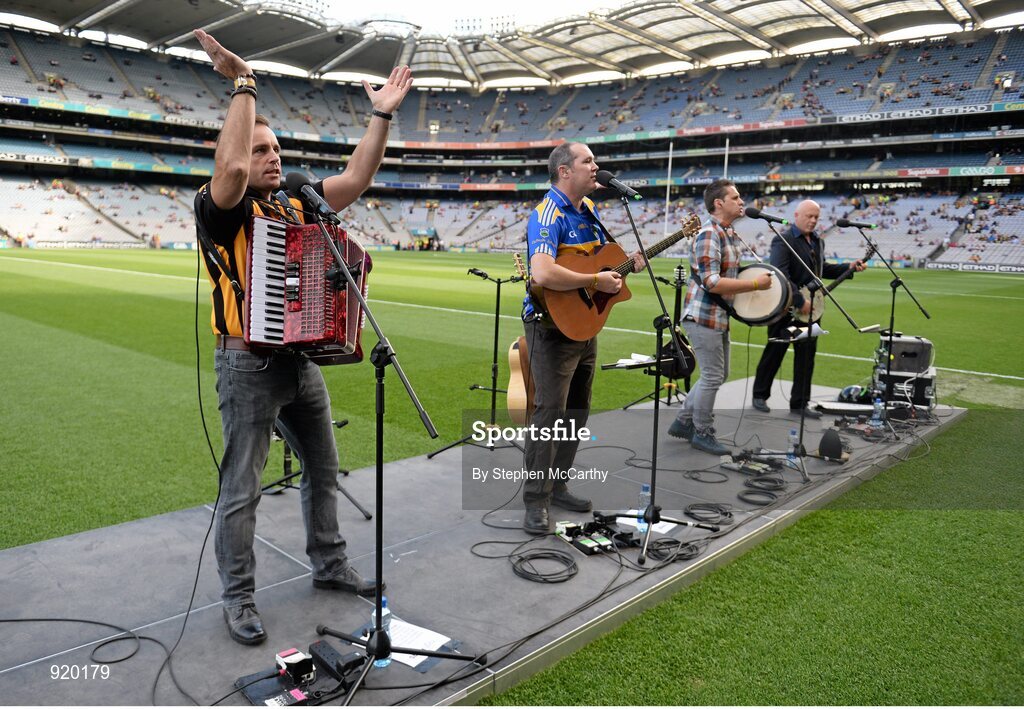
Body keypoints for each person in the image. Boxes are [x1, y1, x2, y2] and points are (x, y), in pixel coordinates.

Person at [191, 29, 412, 646]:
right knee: (242, 487)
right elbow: (231, 166)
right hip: (247, 367)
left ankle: (330, 564)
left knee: (323, 466)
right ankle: (238, 598)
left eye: (277, 147)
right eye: (262, 148)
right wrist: (245, 83)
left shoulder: (293, 203)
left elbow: (356, 178)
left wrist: (380, 117)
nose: (273, 156)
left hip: (297, 360)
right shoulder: (220, 206)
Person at [520, 142, 644, 534]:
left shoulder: (590, 210)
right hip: (550, 328)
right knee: (549, 415)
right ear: (564, 171)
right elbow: (542, 273)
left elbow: (601, 266)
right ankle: (535, 501)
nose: (596, 167)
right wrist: (594, 279)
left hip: (584, 323)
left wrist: (626, 267)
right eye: (587, 161)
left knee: (577, 412)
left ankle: (557, 487)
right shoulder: (546, 213)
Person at [668, 179, 771, 455]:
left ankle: (682, 421)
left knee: (718, 374)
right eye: (735, 197)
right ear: (719, 203)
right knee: (713, 376)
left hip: (716, 316)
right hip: (702, 316)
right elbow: (712, 281)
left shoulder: (728, 233)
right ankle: (702, 431)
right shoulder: (710, 234)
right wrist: (753, 286)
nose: (741, 202)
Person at [751, 200, 866, 417]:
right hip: (786, 309)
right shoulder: (782, 240)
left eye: (816, 217)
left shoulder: (817, 242)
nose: (812, 221)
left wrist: (848, 267)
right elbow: (780, 274)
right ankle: (759, 394)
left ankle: (800, 403)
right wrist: (798, 301)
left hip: (813, 309)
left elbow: (822, 270)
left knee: (807, 356)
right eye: (809, 216)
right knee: (775, 351)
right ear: (796, 215)